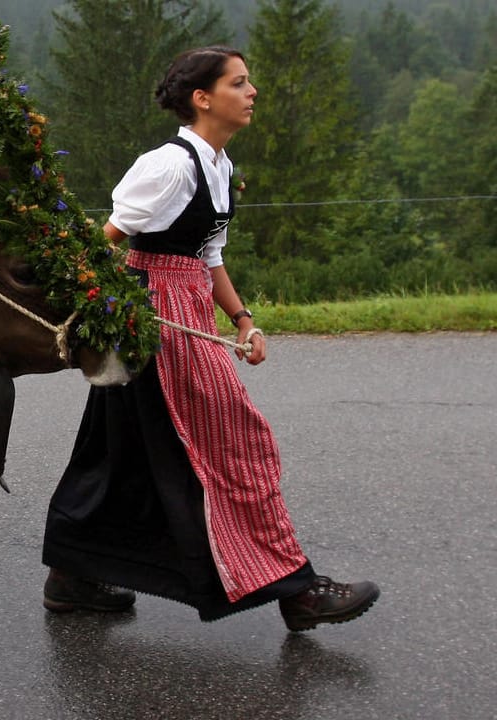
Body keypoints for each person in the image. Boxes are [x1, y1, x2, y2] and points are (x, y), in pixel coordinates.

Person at [41, 46, 379, 631]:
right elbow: (105, 243)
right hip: (153, 324)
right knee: (237, 442)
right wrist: (111, 316)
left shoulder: (218, 167)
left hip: (187, 311)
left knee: (122, 453)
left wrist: (243, 318)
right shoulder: (167, 166)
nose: (252, 93)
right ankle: (296, 591)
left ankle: (74, 575)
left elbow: (207, 257)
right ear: (203, 98)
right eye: (239, 83)